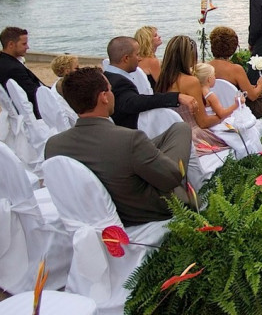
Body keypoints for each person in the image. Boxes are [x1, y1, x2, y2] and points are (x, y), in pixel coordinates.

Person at [44, 67, 193, 227]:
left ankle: (153, 159)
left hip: (96, 214)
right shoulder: (129, 139)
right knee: (177, 151)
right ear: (104, 97)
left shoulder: (53, 146)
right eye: (110, 90)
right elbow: (171, 179)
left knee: (178, 128)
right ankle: (157, 162)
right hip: (143, 212)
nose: (112, 94)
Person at [155, 36, 229, 154]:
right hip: (193, 136)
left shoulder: (162, 80)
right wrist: (224, 115)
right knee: (236, 135)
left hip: (171, 135)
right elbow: (203, 122)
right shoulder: (190, 81)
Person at [104, 36, 194, 130]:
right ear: (126, 58)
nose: (140, 59)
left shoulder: (108, 75)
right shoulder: (118, 82)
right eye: (137, 55)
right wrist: (176, 97)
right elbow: (136, 102)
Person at [0, 26, 45, 118]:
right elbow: (34, 94)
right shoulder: (13, 69)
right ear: (11, 44)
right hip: (37, 114)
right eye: (24, 44)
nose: (27, 47)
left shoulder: (5, 61)